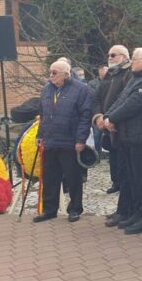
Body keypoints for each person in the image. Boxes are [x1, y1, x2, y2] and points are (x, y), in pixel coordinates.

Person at [104, 48, 142, 235]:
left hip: (141, 136)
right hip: (128, 136)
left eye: (135, 59)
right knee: (132, 177)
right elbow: (121, 100)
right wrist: (107, 116)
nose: (132, 63)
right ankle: (137, 212)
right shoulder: (135, 78)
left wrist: (112, 118)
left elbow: (132, 105)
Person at [34, 60, 93, 223]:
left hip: (70, 140)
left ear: (66, 74)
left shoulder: (81, 89)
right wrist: (40, 135)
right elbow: (43, 114)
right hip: (50, 140)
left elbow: (85, 116)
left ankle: (75, 209)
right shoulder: (47, 88)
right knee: (50, 177)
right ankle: (49, 210)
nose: (51, 75)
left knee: (73, 177)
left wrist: (81, 139)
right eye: (50, 72)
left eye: (54, 73)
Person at [92, 46, 132, 229]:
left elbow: (125, 101)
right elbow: (96, 98)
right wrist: (99, 117)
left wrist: (112, 119)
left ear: (124, 57)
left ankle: (126, 210)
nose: (109, 57)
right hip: (108, 129)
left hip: (122, 129)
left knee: (126, 172)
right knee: (117, 170)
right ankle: (122, 209)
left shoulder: (128, 74)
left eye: (113, 55)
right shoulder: (110, 75)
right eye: (108, 55)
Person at [88, 65, 108, 154]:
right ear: (99, 72)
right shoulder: (92, 83)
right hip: (97, 112)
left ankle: (106, 151)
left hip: (108, 111)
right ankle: (97, 152)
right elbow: (93, 96)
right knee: (97, 134)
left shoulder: (111, 81)